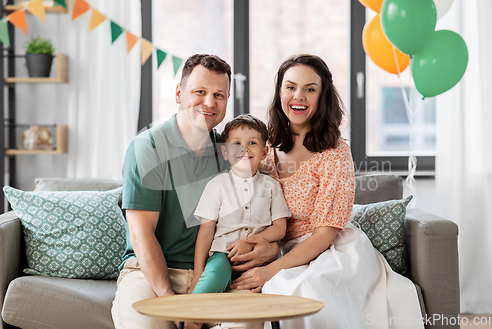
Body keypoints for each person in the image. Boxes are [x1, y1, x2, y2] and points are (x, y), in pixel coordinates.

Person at [230, 54, 424, 329]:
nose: (299, 96)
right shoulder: (264, 147)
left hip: (331, 250)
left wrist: (269, 271)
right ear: (279, 92)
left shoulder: (335, 152)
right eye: (290, 87)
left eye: (310, 89)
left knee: (311, 291)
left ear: (322, 97)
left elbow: (324, 234)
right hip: (283, 250)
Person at [111, 54, 279, 329]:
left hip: (217, 271)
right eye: (200, 92)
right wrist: (173, 304)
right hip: (151, 274)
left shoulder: (230, 152)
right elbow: (141, 235)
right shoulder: (148, 148)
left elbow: (261, 212)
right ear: (179, 93)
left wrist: (269, 249)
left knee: (246, 324)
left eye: (219, 95)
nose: (210, 103)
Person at [189, 114, 291, 296]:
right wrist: (198, 273)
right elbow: (205, 231)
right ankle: (192, 321)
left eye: (252, 143)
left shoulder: (271, 186)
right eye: (236, 143)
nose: (244, 148)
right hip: (223, 255)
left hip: (260, 256)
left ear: (264, 152)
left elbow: (280, 228)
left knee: (271, 291)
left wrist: (248, 243)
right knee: (211, 281)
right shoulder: (217, 185)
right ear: (225, 153)